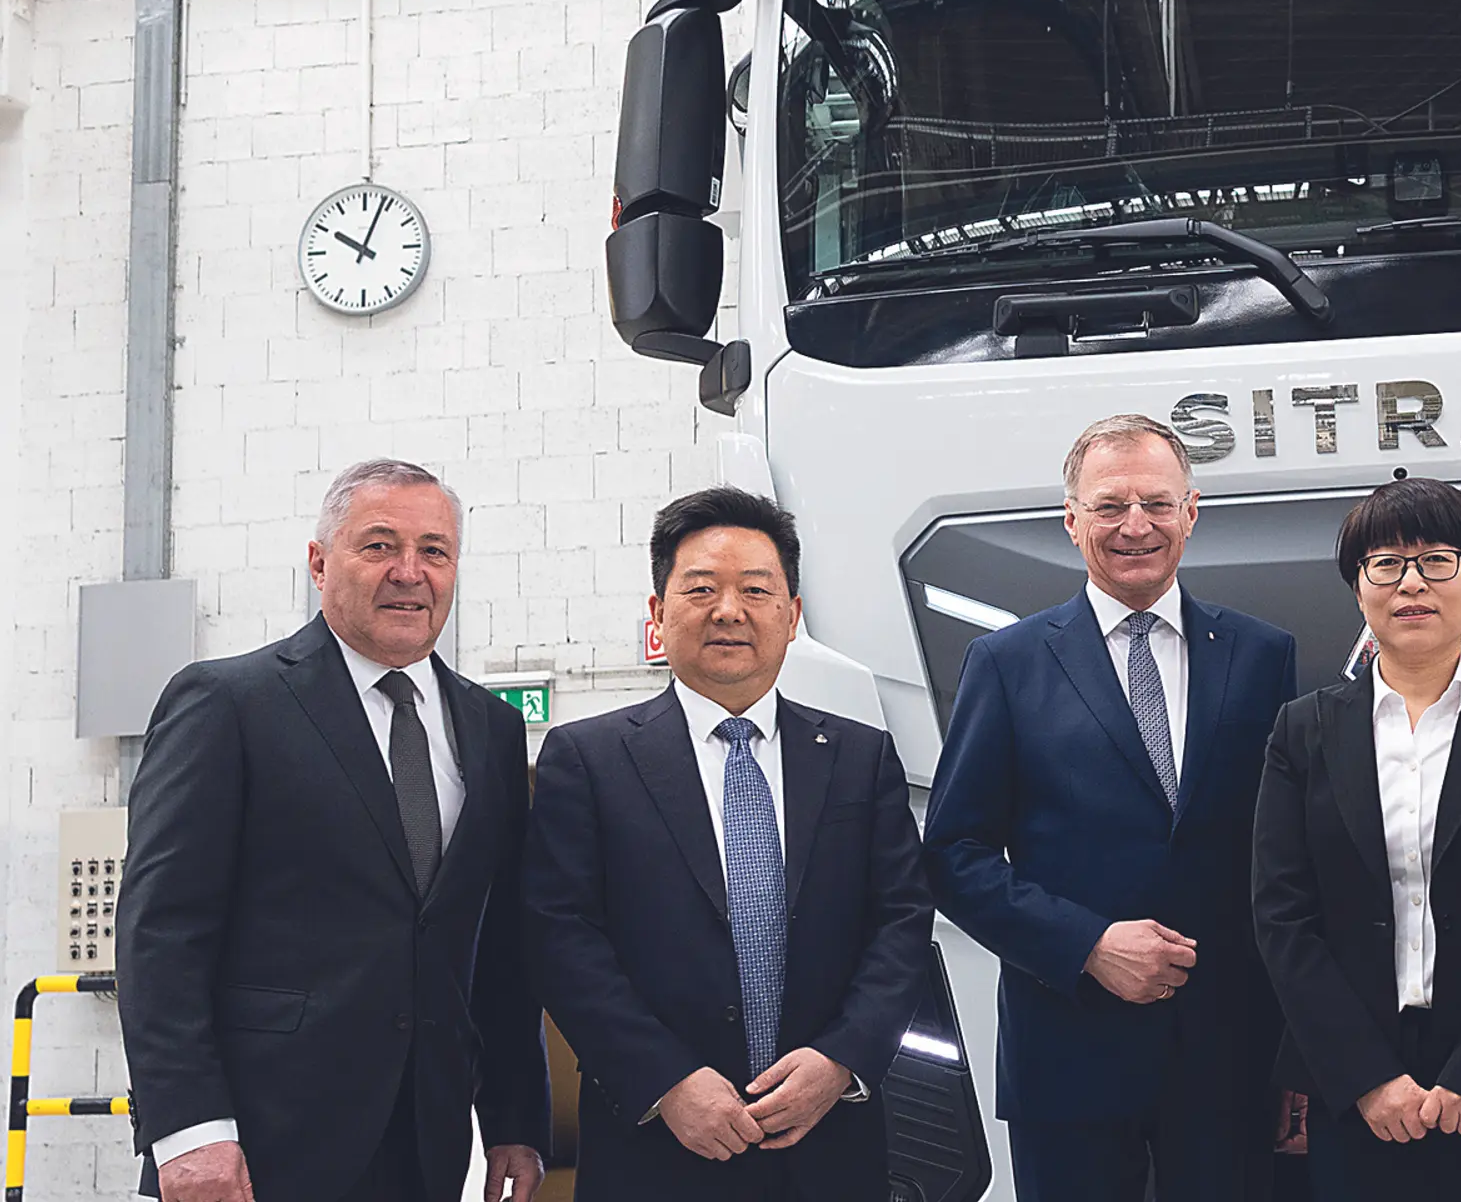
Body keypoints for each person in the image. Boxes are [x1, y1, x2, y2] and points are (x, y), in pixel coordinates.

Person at [117, 459, 549, 1202]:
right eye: (379, 546)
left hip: (427, 1142)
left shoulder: (492, 729)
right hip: (257, 1145)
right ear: (319, 564)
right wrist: (188, 1130)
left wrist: (515, 1117)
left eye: (434, 551)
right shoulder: (227, 704)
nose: (409, 572)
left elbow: (502, 947)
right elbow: (160, 933)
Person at [922, 415, 1301, 1202]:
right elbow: (954, 855)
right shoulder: (1007, 662)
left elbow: (1292, 859)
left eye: (1157, 504)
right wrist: (1088, 943)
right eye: (1110, 506)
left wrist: (1299, 1053)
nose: (1136, 526)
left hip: (1231, 1059)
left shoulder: (1263, 655)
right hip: (1070, 1054)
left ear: (1191, 513)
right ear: (1071, 519)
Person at [523, 487, 935, 1201]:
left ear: (792, 616)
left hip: (827, 1139)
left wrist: (841, 1059)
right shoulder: (587, 758)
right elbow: (560, 936)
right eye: (700, 589)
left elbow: (901, 921)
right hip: (654, 1144)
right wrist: (666, 1081)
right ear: (658, 613)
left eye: (755, 590)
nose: (728, 611)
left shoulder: (859, 757)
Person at [1253, 477, 1461, 1202]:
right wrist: (1366, 1078)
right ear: (1359, 589)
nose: (1412, 583)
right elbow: (1283, 917)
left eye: (1438, 560)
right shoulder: (1304, 730)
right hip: (1358, 1089)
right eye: (1386, 564)